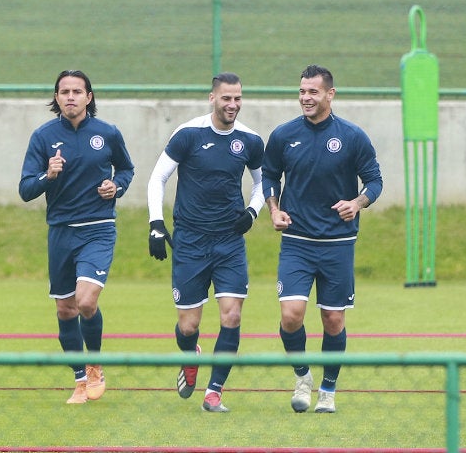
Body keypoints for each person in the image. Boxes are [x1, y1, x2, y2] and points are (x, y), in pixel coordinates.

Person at [262, 65, 383, 413]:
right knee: (291, 315)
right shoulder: (284, 135)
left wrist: (357, 203)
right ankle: (303, 377)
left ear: (330, 94)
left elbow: (374, 181)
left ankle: (328, 390)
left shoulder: (352, 136)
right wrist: (273, 209)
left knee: (333, 319)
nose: (305, 98)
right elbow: (269, 176)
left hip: (338, 244)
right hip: (297, 242)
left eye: (313, 92)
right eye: (302, 91)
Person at [147, 72, 265, 412]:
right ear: (212, 98)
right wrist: (156, 223)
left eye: (238, 98)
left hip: (229, 242)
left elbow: (264, 184)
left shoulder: (251, 141)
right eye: (226, 98)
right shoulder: (188, 134)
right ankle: (190, 355)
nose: (233, 105)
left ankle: (214, 392)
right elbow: (158, 178)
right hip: (189, 241)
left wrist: (253, 212)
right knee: (189, 325)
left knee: (232, 316)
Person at [19, 70, 134, 404]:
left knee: (86, 301)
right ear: (56, 98)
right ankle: (80, 380)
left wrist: (117, 187)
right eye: (64, 91)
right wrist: (47, 174)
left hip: (98, 228)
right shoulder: (42, 137)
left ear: (89, 96)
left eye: (76, 91)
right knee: (66, 310)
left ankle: (95, 365)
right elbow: (26, 188)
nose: (70, 96)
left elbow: (125, 170)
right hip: (60, 232)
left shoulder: (107, 133)